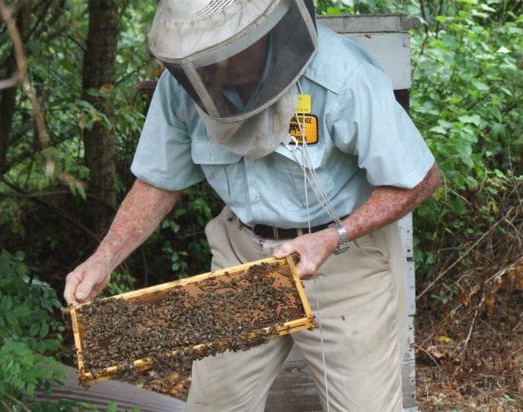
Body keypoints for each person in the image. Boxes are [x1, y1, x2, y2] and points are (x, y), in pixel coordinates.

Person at [64, 1, 441, 411]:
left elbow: (420, 178)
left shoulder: (343, 75)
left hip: (344, 263)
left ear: (262, 33)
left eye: (220, 53)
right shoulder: (186, 85)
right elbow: (158, 181)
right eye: (201, 58)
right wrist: (104, 258)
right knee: (215, 405)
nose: (212, 70)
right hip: (242, 255)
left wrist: (334, 236)